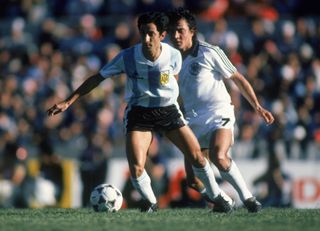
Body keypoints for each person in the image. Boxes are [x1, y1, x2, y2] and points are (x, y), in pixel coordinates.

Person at [47, 11, 234, 213]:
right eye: (143, 33)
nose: (146, 38)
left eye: (151, 33)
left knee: (197, 157)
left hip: (168, 111)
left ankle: (218, 197)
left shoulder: (173, 55)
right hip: (139, 114)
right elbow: (97, 78)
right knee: (137, 167)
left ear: (162, 35)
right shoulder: (127, 57)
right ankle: (152, 204)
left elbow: (175, 81)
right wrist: (68, 102)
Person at [167, 8, 275, 212]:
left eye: (180, 30)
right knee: (193, 181)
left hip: (219, 113)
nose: (176, 35)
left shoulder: (210, 51)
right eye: (172, 31)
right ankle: (224, 200)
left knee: (219, 156)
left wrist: (257, 106)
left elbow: (237, 78)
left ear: (192, 31)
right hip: (192, 120)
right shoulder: (170, 59)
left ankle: (250, 199)